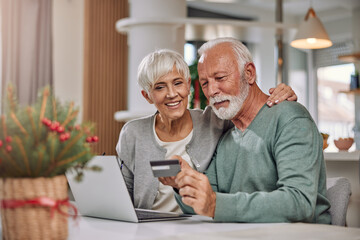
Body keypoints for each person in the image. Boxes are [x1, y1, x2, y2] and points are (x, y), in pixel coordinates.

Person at [168, 38, 331, 223]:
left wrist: (215, 204)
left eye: (220, 78)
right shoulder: (227, 135)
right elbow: (208, 202)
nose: (212, 90)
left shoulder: (290, 119)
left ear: (249, 73)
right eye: (205, 83)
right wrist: (183, 184)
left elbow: (299, 202)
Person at [116, 49, 297, 213]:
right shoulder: (132, 133)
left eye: (178, 83)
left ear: (188, 85)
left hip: (203, 226)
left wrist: (279, 97)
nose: (171, 94)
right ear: (147, 96)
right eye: (160, 87)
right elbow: (122, 197)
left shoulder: (216, 120)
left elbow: (249, 109)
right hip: (147, 231)